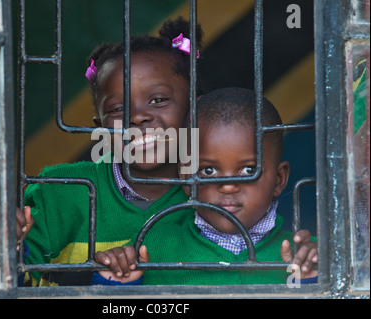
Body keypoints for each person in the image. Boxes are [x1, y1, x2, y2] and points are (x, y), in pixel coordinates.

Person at [16, 17, 316, 286]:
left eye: (158, 100)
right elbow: (19, 278)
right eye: (118, 109)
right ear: (100, 127)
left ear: (195, 109)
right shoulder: (59, 190)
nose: (138, 118)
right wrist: (9, 245)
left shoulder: (211, 201)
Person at [93, 87, 318, 285]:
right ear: (186, 179)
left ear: (279, 179)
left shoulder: (305, 255)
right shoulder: (152, 247)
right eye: (208, 170)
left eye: (249, 170)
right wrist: (117, 283)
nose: (228, 186)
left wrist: (313, 279)